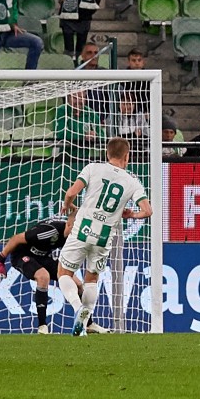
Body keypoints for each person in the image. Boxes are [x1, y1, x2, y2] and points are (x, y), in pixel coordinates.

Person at [58, 137, 153, 336]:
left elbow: (71, 192)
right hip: (104, 236)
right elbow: (147, 211)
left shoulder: (93, 168)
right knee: (92, 278)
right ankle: (86, 320)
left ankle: (78, 308)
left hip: (83, 229)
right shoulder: (132, 181)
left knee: (64, 273)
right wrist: (132, 215)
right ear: (127, 157)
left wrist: (67, 205)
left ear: (107, 153)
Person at [0, 214, 107, 334]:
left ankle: (88, 324)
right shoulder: (48, 231)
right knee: (43, 276)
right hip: (22, 255)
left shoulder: (74, 236)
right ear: (68, 225)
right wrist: (0, 260)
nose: (74, 234)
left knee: (77, 284)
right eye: (73, 230)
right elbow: (16, 238)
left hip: (43, 257)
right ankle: (42, 326)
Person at [53, 90, 104, 161]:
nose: (78, 101)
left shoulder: (91, 113)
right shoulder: (61, 111)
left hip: (86, 159)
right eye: (75, 98)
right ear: (68, 98)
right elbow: (60, 134)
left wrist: (96, 136)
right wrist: (83, 137)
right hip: (65, 159)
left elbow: (103, 136)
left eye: (81, 98)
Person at [105, 93, 149, 162]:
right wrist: (134, 134)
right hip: (118, 151)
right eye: (124, 104)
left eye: (131, 104)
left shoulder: (140, 116)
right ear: (119, 104)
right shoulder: (113, 117)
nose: (128, 107)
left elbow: (146, 133)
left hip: (138, 150)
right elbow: (112, 135)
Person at [122, 48, 150, 113]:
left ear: (143, 62)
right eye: (134, 60)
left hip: (148, 113)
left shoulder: (150, 79)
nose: (137, 63)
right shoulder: (122, 79)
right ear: (128, 62)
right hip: (127, 113)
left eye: (139, 60)